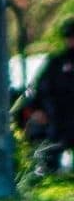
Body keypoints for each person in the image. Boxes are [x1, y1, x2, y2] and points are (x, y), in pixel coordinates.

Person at [31, 19, 74, 174]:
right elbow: (40, 87)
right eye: (69, 37)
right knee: (50, 157)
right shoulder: (56, 62)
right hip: (58, 119)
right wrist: (37, 109)